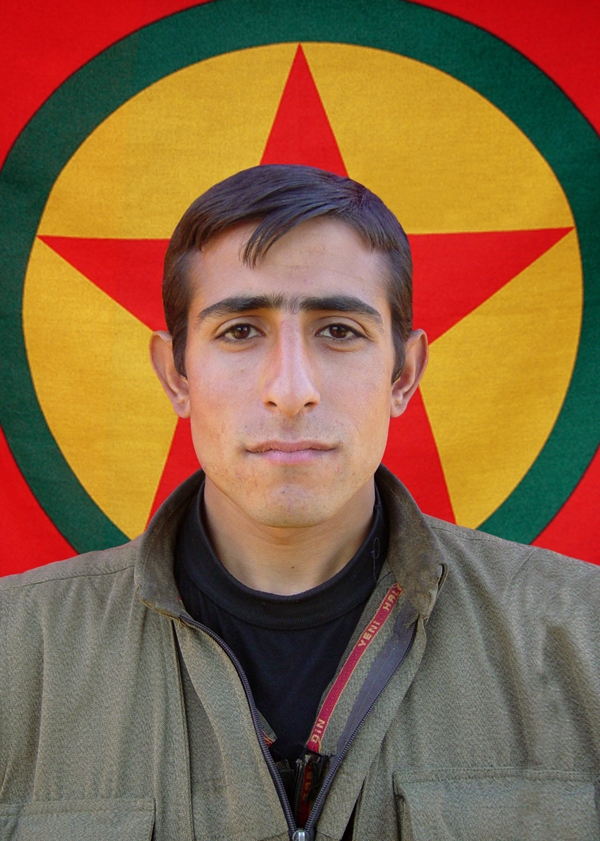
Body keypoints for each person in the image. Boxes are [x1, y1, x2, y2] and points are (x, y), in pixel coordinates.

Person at [1, 165, 599, 841]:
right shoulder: (14, 652)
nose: (290, 390)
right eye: (239, 331)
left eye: (339, 330)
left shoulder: (584, 636)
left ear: (403, 375)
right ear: (176, 375)